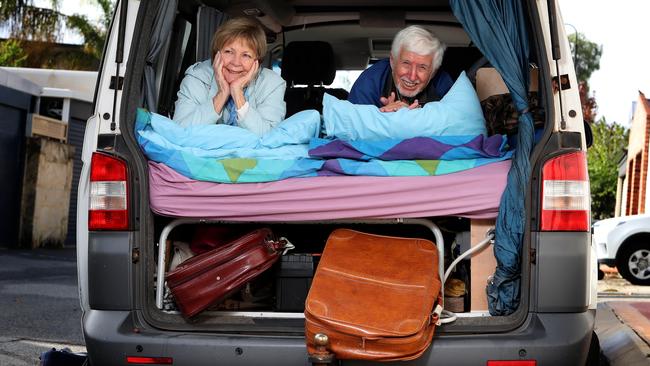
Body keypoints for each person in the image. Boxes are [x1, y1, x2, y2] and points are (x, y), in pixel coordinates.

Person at [173, 17, 286, 136]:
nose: (236, 62)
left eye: (246, 55)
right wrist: (222, 93)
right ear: (217, 53)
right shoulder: (197, 77)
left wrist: (237, 93)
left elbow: (269, 136)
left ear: (256, 61)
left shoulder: (272, 84)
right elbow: (180, 131)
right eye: (228, 52)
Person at [348, 25, 453, 113]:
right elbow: (353, 128)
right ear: (392, 61)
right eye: (406, 63)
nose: (412, 76)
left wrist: (418, 119)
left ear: (433, 72)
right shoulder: (368, 82)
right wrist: (382, 118)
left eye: (422, 67)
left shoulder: (443, 83)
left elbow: (456, 125)